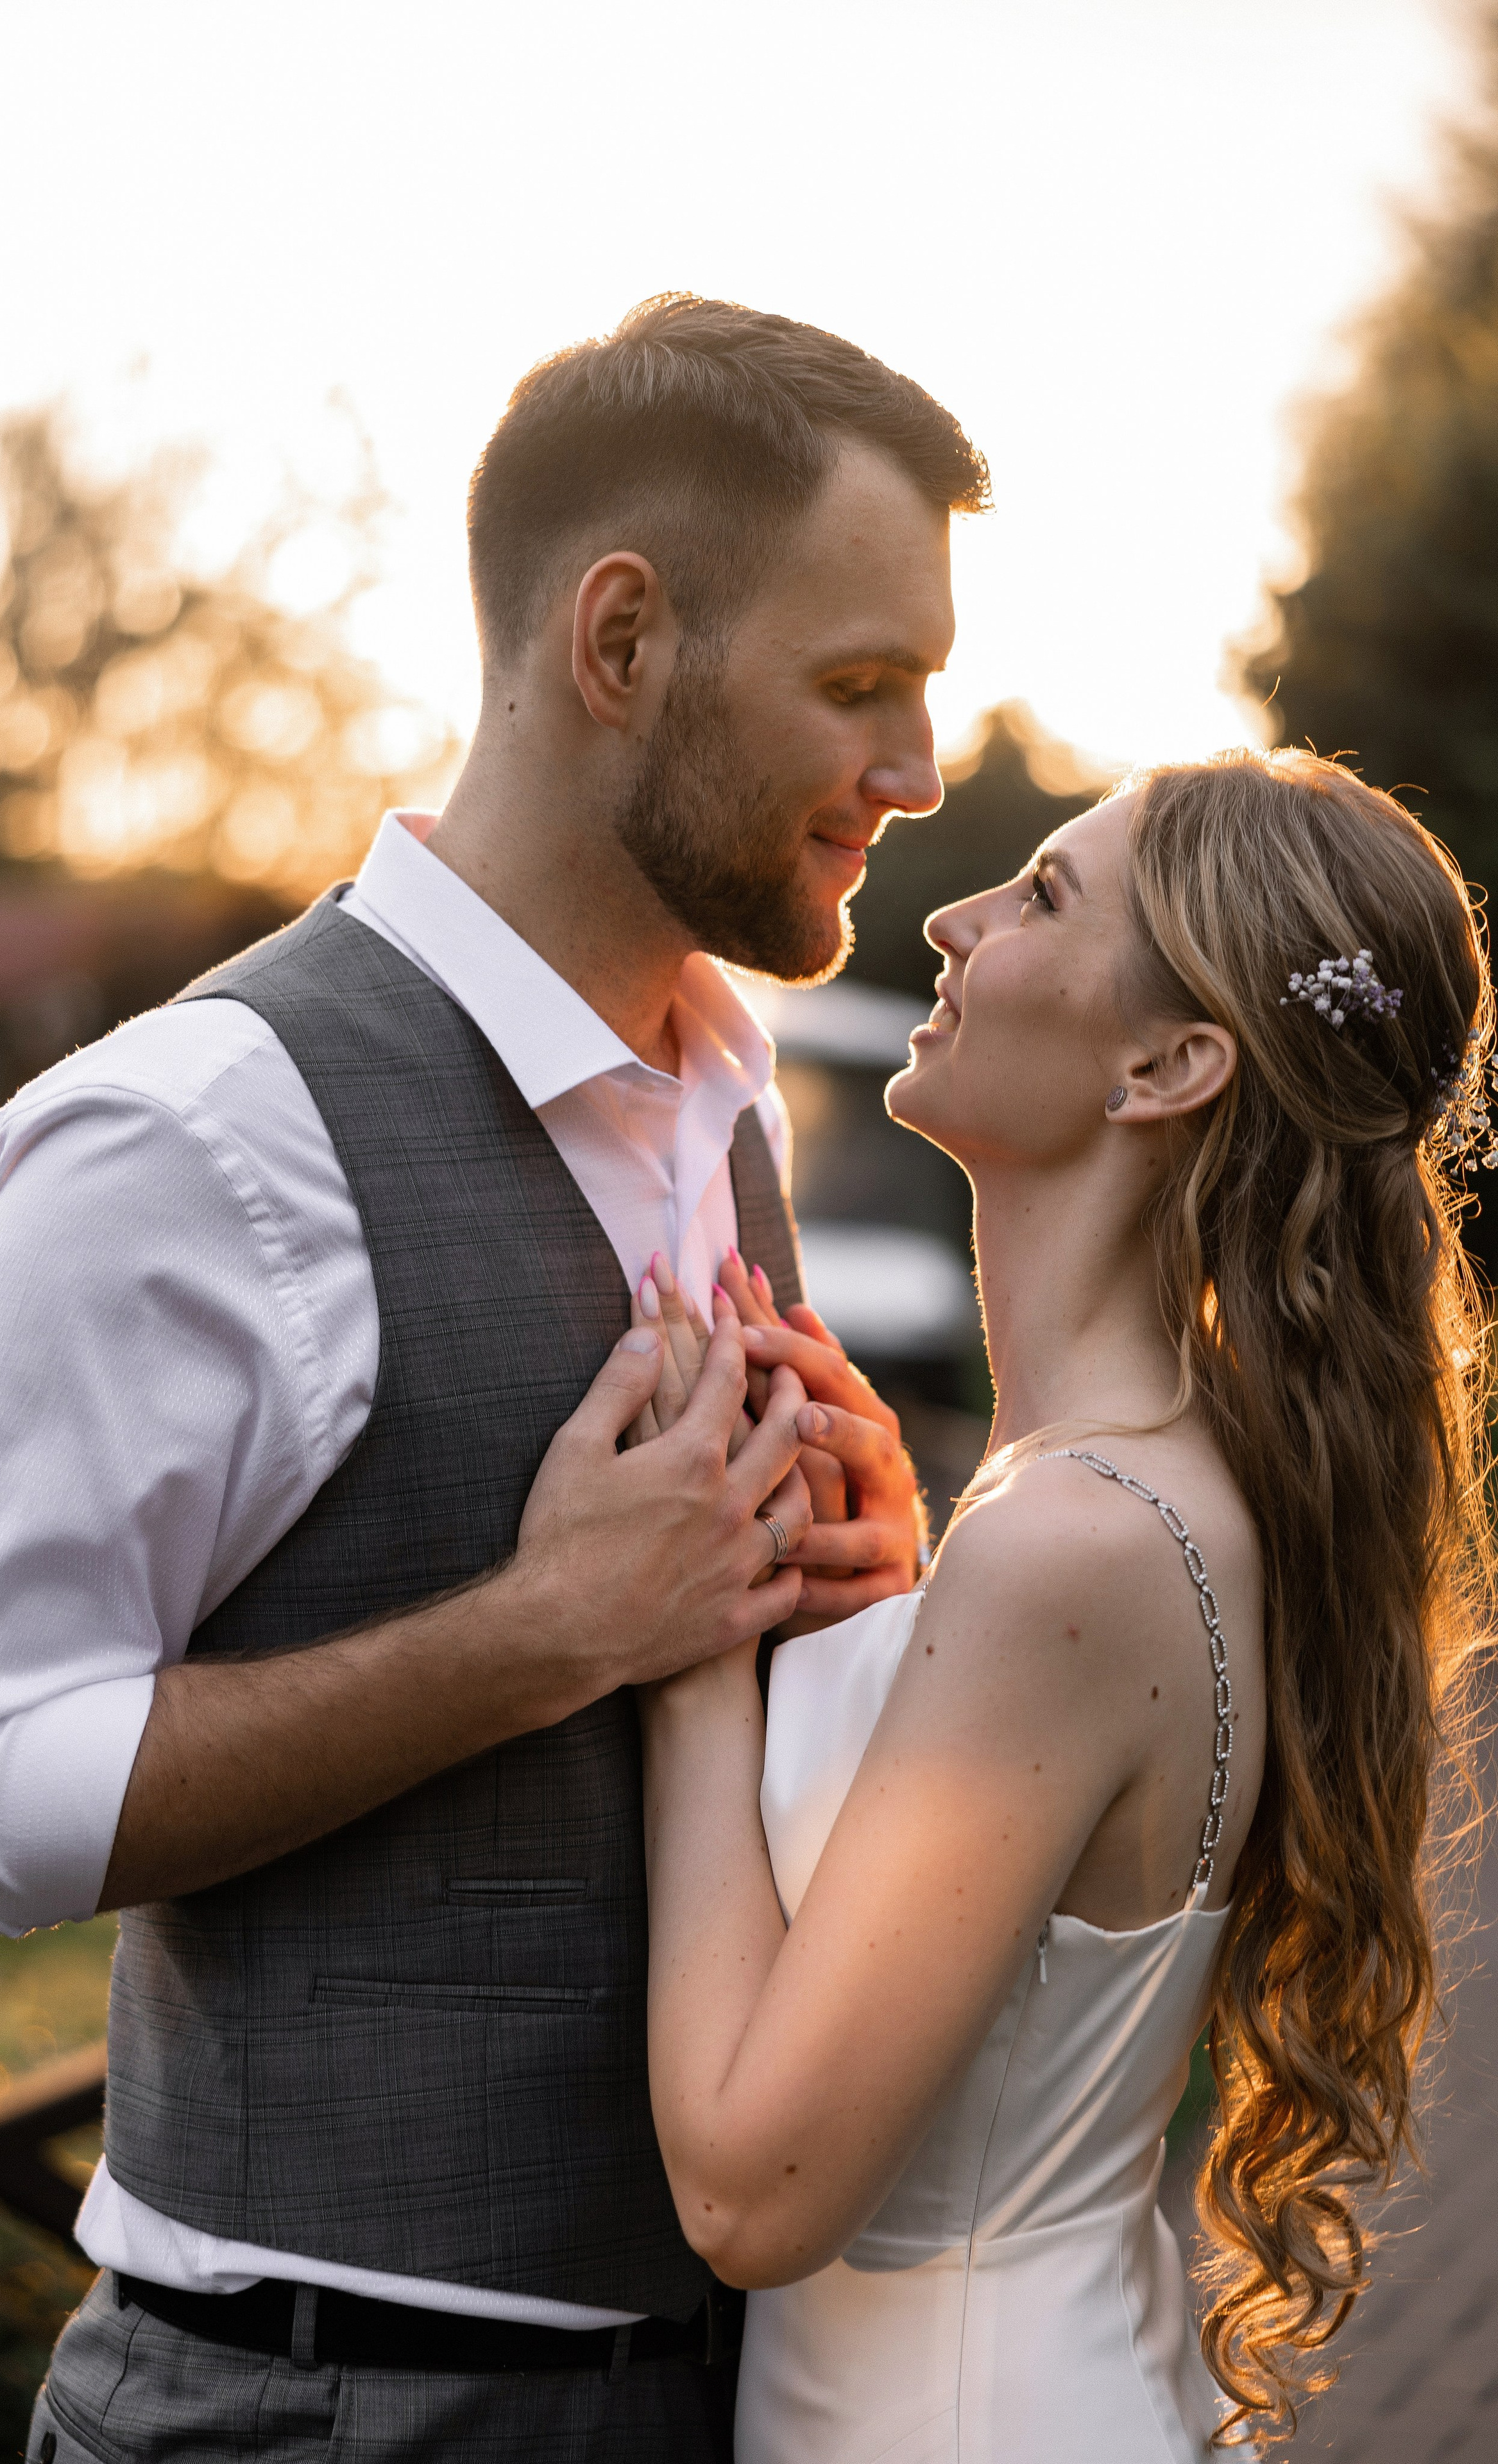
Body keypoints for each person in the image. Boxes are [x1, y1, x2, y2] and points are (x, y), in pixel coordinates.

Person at [0, 297, 988, 2461]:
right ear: (624, 640)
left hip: (726, 2399)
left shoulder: (728, 1114)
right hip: (317, 2414)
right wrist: (539, 1636)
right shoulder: (196, 1132)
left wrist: (850, 1599)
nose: (921, 770)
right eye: (862, 686)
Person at [633, 748, 1492, 2460]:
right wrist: (889, 1613)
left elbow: (749, 2193)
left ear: (1171, 1066)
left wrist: (686, 1662)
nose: (946, 920)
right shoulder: (1155, 1502)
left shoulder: (1076, 1548)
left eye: (1039, 896)